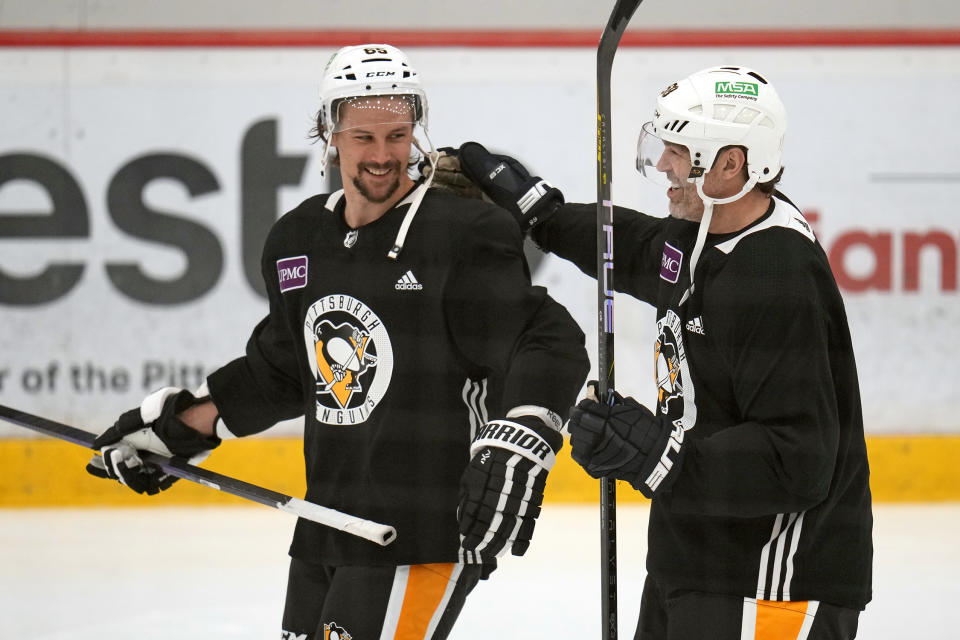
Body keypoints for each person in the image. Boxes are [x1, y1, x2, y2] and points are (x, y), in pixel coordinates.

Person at [84, 43, 589, 640]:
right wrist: (182, 426)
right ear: (329, 132)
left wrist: (522, 439)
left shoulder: (462, 234)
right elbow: (284, 369)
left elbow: (549, 338)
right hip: (324, 522)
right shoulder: (299, 237)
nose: (383, 157)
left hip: (421, 527)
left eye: (398, 136)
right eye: (363, 139)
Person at [440, 65, 873, 639]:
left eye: (680, 151)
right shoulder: (705, 230)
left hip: (770, 580)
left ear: (731, 162)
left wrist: (656, 453)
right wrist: (540, 215)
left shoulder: (775, 276)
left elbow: (800, 459)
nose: (665, 165)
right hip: (696, 556)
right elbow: (636, 249)